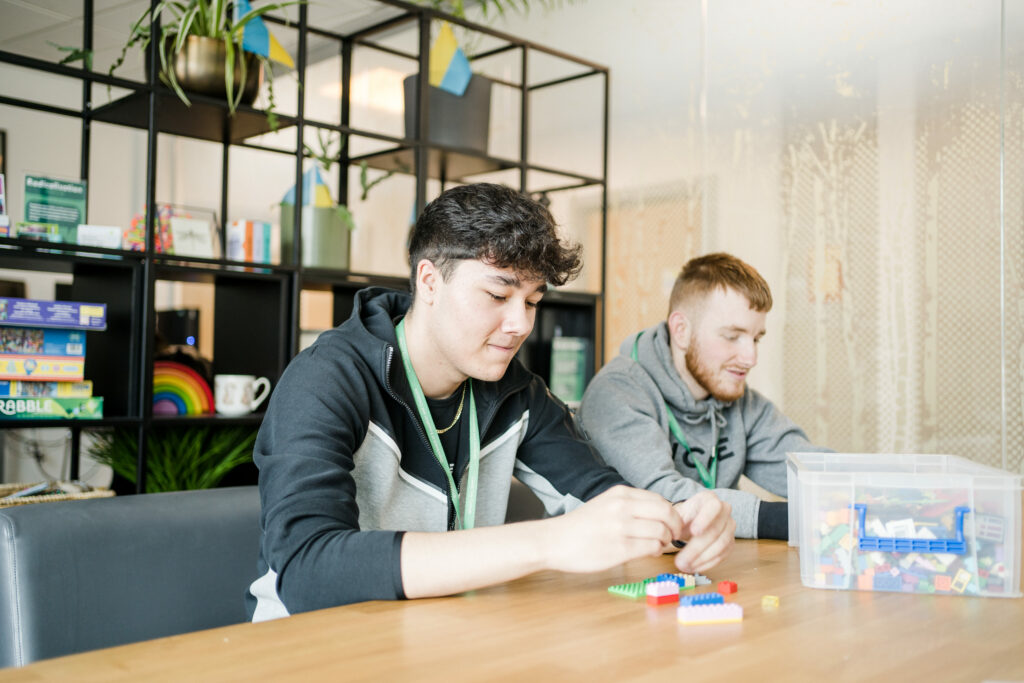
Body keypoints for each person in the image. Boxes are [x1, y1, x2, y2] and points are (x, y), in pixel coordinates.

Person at [247, 184, 735, 621]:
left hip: (440, 640)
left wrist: (685, 518)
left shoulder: (516, 393)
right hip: (312, 647)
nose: (521, 324)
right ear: (430, 281)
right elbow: (308, 570)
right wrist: (548, 542)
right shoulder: (326, 379)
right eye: (498, 295)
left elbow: (603, 500)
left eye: (531, 302)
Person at [579, 252, 827, 541]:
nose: (750, 358)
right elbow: (661, 499)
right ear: (682, 331)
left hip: (698, 567)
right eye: (733, 336)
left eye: (756, 338)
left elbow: (808, 470)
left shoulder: (739, 399)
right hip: (610, 576)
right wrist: (788, 519)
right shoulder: (616, 393)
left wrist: (870, 492)